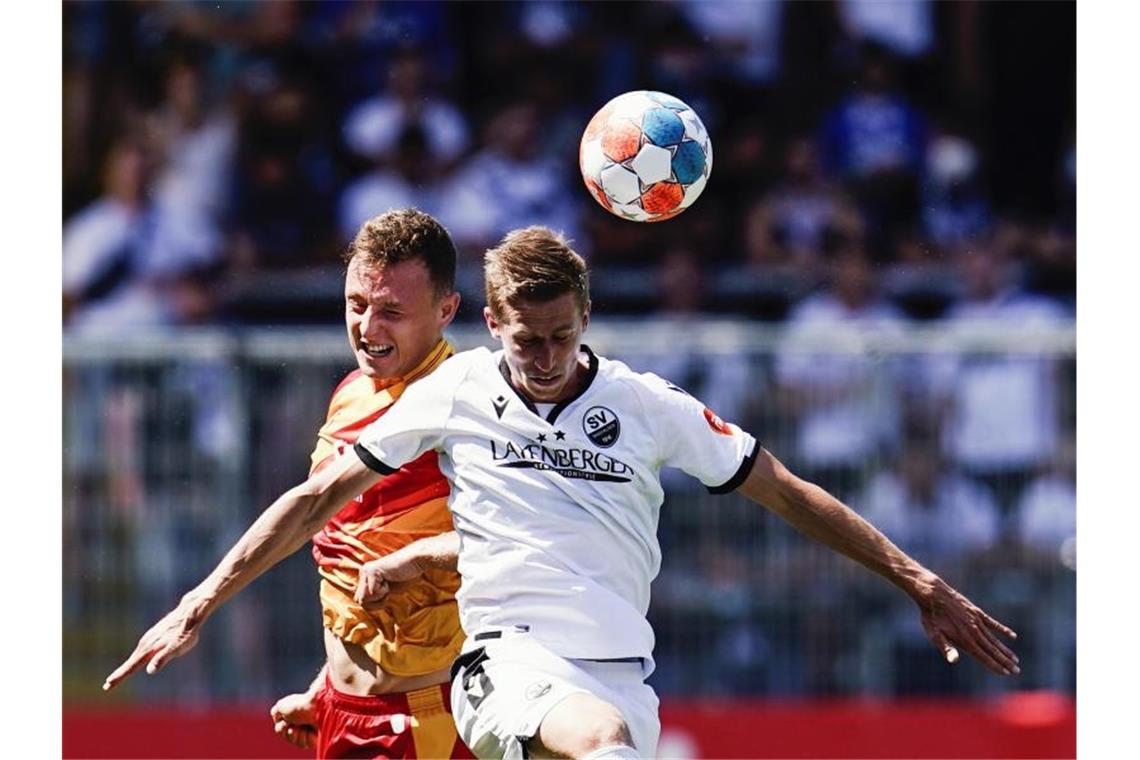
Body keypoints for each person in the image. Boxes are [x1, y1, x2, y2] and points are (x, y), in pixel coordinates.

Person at [106, 226, 1019, 760]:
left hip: (622, 676)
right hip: (501, 668)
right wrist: (199, 603)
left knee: (610, 731)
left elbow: (784, 490)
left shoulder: (646, 407)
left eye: (559, 337)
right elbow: (316, 504)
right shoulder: (455, 394)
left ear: (586, 321)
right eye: (524, 340)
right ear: (493, 323)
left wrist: (918, 583)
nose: (541, 360)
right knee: (596, 742)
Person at [104, 208, 473, 759]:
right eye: (356, 305)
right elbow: (352, 557)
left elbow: (518, 546)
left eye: (392, 311)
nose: (368, 329)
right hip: (347, 716)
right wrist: (330, 685)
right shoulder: (353, 390)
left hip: (429, 724)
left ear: (446, 309)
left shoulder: (468, 408)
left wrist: (195, 606)